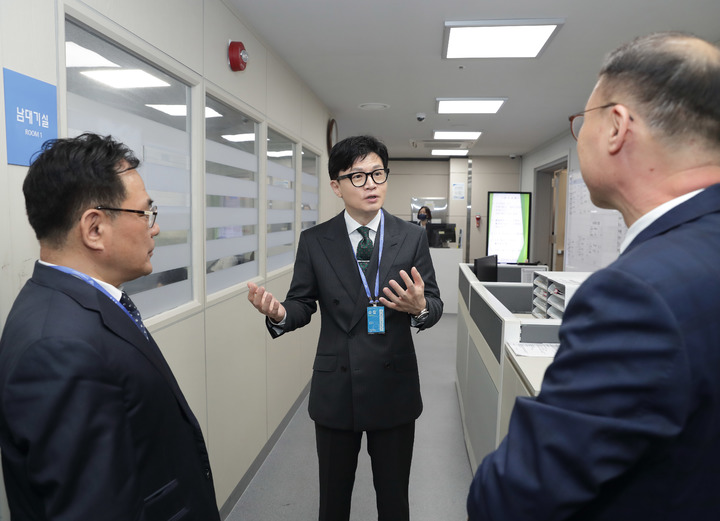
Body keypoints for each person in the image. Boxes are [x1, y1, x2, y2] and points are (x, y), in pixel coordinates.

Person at [467, 31, 720, 521]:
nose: (578, 135)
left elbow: (515, 498)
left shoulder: (637, 294)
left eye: (581, 121)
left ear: (616, 127)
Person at [0, 133, 221, 521]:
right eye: (145, 213)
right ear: (94, 229)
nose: (153, 228)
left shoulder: (76, 305)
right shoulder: (58, 348)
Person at [248, 135, 443, 521]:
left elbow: (434, 303)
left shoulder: (412, 237)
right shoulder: (316, 241)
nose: (371, 184)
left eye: (377, 173)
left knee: (394, 500)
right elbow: (302, 302)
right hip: (338, 387)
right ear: (336, 186)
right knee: (333, 501)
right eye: (357, 176)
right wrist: (280, 314)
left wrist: (420, 308)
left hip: (394, 385)